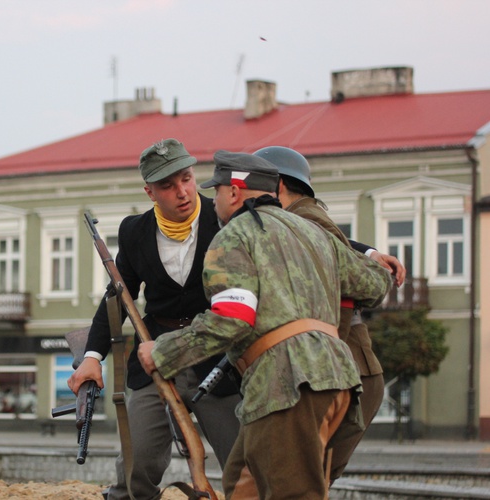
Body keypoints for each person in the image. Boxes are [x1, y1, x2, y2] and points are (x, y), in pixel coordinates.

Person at [137, 151, 392, 498]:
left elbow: (231, 320)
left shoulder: (232, 237)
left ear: (234, 192)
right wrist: (370, 257)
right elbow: (375, 285)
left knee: (290, 493)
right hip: (338, 382)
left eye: (218, 191)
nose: (211, 203)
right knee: (242, 487)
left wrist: (162, 351)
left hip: (287, 385)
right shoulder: (313, 232)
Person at [68, 138, 241, 500]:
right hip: (155, 355)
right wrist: (91, 358)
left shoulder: (227, 218)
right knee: (137, 462)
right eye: (168, 185)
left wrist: (365, 252)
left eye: (187, 179)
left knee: (243, 466)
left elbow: (297, 233)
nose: (182, 192)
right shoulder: (134, 231)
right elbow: (118, 297)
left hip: (217, 358)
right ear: (150, 192)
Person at [253, 145, 405, 482]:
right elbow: (334, 244)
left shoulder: (300, 222)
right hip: (346, 370)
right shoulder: (302, 219)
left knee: (300, 478)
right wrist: (369, 251)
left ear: (276, 186)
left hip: (340, 373)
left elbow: (354, 293)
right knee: (300, 477)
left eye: (253, 185)